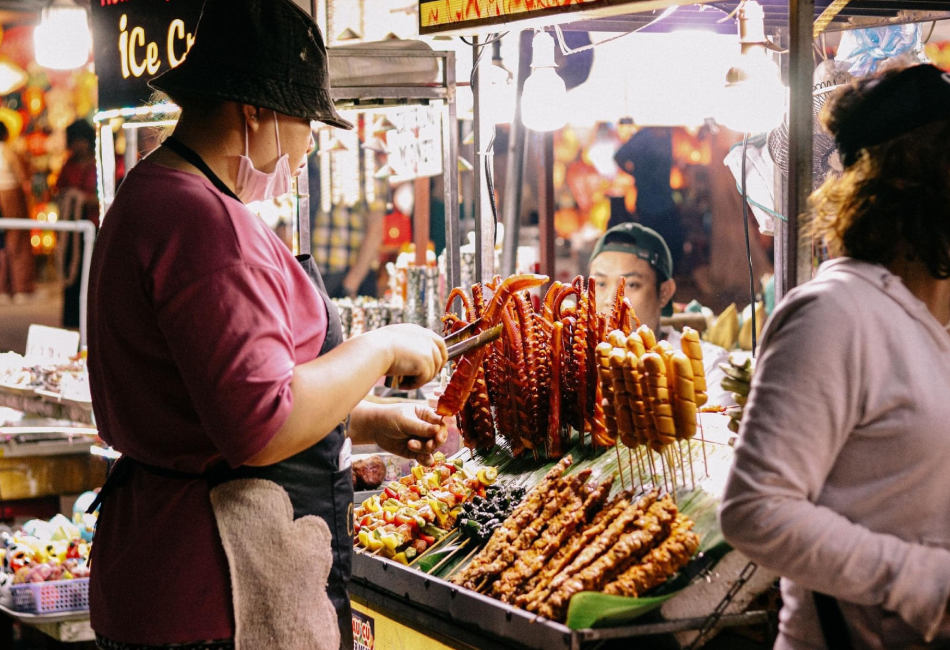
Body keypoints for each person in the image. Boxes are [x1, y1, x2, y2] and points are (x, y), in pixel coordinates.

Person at [86, 1, 448, 649]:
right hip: (216, 588)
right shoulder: (202, 223)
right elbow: (258, 426)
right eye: (304, 120)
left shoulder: (148, 193)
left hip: (154, 561)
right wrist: (381, 346)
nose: (308, 144)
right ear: (253, 111)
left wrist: (361, 422)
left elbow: (205, 402)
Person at [719, 64, 950, 650]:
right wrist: (921, 581)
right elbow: (755, 509)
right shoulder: (835, 315)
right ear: (920, 186)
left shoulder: (934, 318)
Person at [589, 221, 732, 405]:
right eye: (600, 284)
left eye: (631, 284)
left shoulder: (709, 367)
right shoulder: (573, 369)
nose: (611, 299)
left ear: (664, 293)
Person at [56, 119, 99, 328]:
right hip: (72, 230)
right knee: (72, 276)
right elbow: (59, 191)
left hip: (94, 225)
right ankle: (73, 320)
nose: (77, 146)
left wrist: (84, 198)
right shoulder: (68, 165)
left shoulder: (99, 163)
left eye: (80, 141)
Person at [0, 122, 34, 304]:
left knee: (3, 244)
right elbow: (21, 175)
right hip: (11, 194)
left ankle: (3, 289)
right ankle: (21, 288)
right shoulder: (7, 151)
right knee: (18, 240)